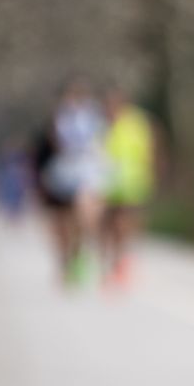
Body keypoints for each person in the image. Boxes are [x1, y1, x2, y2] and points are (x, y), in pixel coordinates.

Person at [43, 77, 108, 285]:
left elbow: (103, 143)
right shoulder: (59, 117)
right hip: (65, 172)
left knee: (85, 219)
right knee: (64, 222)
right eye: (71, 94)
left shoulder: (96, 117)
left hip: (89, 172)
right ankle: (66, 260)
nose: (74, 99)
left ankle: (79, 254)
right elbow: (54, 145)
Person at [99, 87, 160, 286]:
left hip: (131, 179)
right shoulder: (103, 123)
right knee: (106, 224)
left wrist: (152, 172)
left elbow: (151, 147)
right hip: (105, 180)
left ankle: (122, 260)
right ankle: (112, 260)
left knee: (124, 221)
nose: (112, 107)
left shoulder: (137, 123)